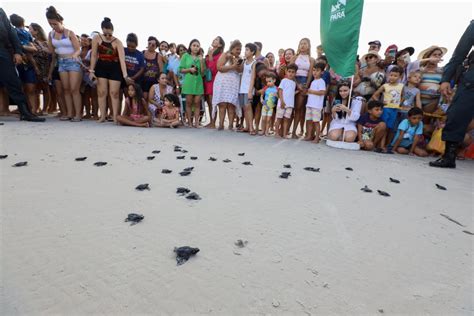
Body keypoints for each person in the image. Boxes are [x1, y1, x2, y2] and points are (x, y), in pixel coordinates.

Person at [431, 20, 474, 168]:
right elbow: (459, 54)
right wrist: (446, 80)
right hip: (472, 82)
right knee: (457, 115)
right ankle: (449, 156)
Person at [0, 8, 44, 121]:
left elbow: (11, 32)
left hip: (3, 50)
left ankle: (25, 112)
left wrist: (18, 52)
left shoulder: (1, 12)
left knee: (13, 81)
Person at [46, 6, 83, 122]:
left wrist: (75, 55)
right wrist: (40, 48)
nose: (53, 26)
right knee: (65, 89)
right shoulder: (51, 35)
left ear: (61, 21)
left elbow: (78, 49)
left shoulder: (69, 33)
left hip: (73, 62)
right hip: (61, 62)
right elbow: (51, 51)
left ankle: (78, 114)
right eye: (50, 24)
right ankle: (69, 113)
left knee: (74, 89)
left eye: (55, 24)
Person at [89, 17, 128, 123]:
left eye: (110, 34)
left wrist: (125, 75)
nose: (107, 37)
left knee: (114, 93)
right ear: (102, 30)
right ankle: (102, 116)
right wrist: (91, 71)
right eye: (105, 34)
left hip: (115, 68)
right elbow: (93, 55)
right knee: (101, 92)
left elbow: (122, 60)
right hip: (101, 66)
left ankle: (115, 116)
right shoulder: (96, 38)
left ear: (112, 32)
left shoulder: (118, 42)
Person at [10, 14, 39, 114]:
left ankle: (31, 110)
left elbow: (33, 48)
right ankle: (31, 110)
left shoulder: (18, 32)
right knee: (29, 89)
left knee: (27, 88)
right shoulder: (19, 32)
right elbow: (33, 48)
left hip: (23, 62)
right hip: (24, 62)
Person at [212, 40, 243, 130]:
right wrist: (232, 66)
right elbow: (219, 67)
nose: (239, 51)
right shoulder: (225, 54)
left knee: (231, 104)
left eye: (240, 50)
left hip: (233, 84)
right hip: (222, 83)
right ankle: (221, 124)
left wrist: (235, 62)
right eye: (237, 49)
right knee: (222, 104)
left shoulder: (239, 58)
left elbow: (240, 70)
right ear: (232, 48)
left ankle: (230, 125)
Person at [371, 66, 404, 144]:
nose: (392, 77)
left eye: (395, 76)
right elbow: (374, 95)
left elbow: (403, 96)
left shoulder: (401, 86)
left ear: (400, 77)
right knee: (384, 126)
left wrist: (400, 103)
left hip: (395, 109)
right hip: (386, 108)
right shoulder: (385, 85)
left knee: (389, 128)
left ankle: (383, 145)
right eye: (391, 75)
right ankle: (379, 145)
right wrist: (380, 103)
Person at [291, 38, 316, 139]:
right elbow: (290, 71)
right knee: (290, 107)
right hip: (294, 81)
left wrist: (306, 85)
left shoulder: (311, 59)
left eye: (305, 43)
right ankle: (284, 130)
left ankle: (294, 131)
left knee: (299, 108)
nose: (302, 45)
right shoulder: (295, 57)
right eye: (301, 43)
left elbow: (310, 74)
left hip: (305, 82)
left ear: (309, 46)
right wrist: (297, 84)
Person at [179, 39, 205, 127]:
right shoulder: (185, 56)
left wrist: (201, 61)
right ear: (190, 46)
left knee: (197, 103)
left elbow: (202, 73)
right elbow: (181, 70)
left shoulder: (201, 57)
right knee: (189, 102)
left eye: (198, 46)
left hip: (198, 83)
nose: (196, 47)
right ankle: (190, 122)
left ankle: (197, 123)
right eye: (194, 45)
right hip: (188, 82)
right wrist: (189, 69)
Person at [417, 45, 448, 113]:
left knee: (426, 121)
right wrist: (429, 60)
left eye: (439, 55)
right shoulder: (420, 69)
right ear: (428, 56)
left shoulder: (442, 70)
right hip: (417, 100)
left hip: (433, 102)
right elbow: (412, 64)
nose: (437, 56)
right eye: (434, 54)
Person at [29, 22, 51, 115]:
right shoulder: (31, 42)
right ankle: (36, 108)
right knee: (36, 89)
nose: (29, 31)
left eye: (30, 29)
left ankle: (45, 109)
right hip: (34, 66)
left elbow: (49, 55)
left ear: (36, 31)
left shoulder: (46, 42)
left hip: (45, 67)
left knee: (45, 88)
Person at [204, 36, 225, 128]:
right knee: (209, 101)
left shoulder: (220, 55)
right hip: (208, 79)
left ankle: (215, 122)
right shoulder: (210, 52)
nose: (214, 40)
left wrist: (211, 56)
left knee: (214, 101)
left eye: (216, 40)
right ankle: (211, 121)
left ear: (220, 44)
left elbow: (215, 68)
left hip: (215, 79)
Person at [303, 63, 326, 143]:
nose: (315, 72)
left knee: (316, 122)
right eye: (313, 70)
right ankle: (309, 135)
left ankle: (317, 137)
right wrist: (307, 92)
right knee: (309, 121)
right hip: (310, 104)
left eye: (317, 71)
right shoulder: (313, 81)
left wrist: (311, 91)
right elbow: (312, 93)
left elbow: (322, 92)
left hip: (316, 106)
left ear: (322, 72)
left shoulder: (321, 81)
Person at [275, 63, 297, 138]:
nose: (291, 73)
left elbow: (292, 93)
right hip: (282, 103)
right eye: (289, 71)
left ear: (295, 73)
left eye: (293, 72)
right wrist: (282, 101)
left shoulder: (294, 83)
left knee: (286, 119)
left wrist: (299, 91)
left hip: (290, 104)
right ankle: (276, 133)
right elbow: (280, 91)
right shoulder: (284, 80)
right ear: (286, 72)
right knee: (279, 118)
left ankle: (284, 134)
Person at [238, 43, 257, 134]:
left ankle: (252, 128)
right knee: (244, 108)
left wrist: (250, 91)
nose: (245, 51)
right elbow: (240, 72)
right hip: (242, 88)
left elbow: (252, 77)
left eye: (247, 50)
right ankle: (247, 126)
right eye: (245, 49)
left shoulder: (254, 63)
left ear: (252, 52)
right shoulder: (244, 62)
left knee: (248, 107)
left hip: (248, 89)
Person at [142, 36, 164, 101]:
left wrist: (160, 81)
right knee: (144, 98)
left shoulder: (158, 55)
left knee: (151, 99)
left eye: (153, 45)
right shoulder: (142, 53)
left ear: (156, 47)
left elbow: (161, 70)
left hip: (153, 81)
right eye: (149, 43)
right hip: (143, 80)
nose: (151, 45)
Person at [260, 72, 278, 136]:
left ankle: (267, 131)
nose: (268, 83)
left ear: (274, 80)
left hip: (271, 106)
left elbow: (279, 97)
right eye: (267, 82)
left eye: (269, 81)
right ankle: (263, 130)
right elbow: (262, 95)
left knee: (268, 119)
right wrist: (261, 99)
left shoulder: (277, 89)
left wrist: (277, 96)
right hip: (265, 105)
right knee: (264, 118)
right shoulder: (266, 88)